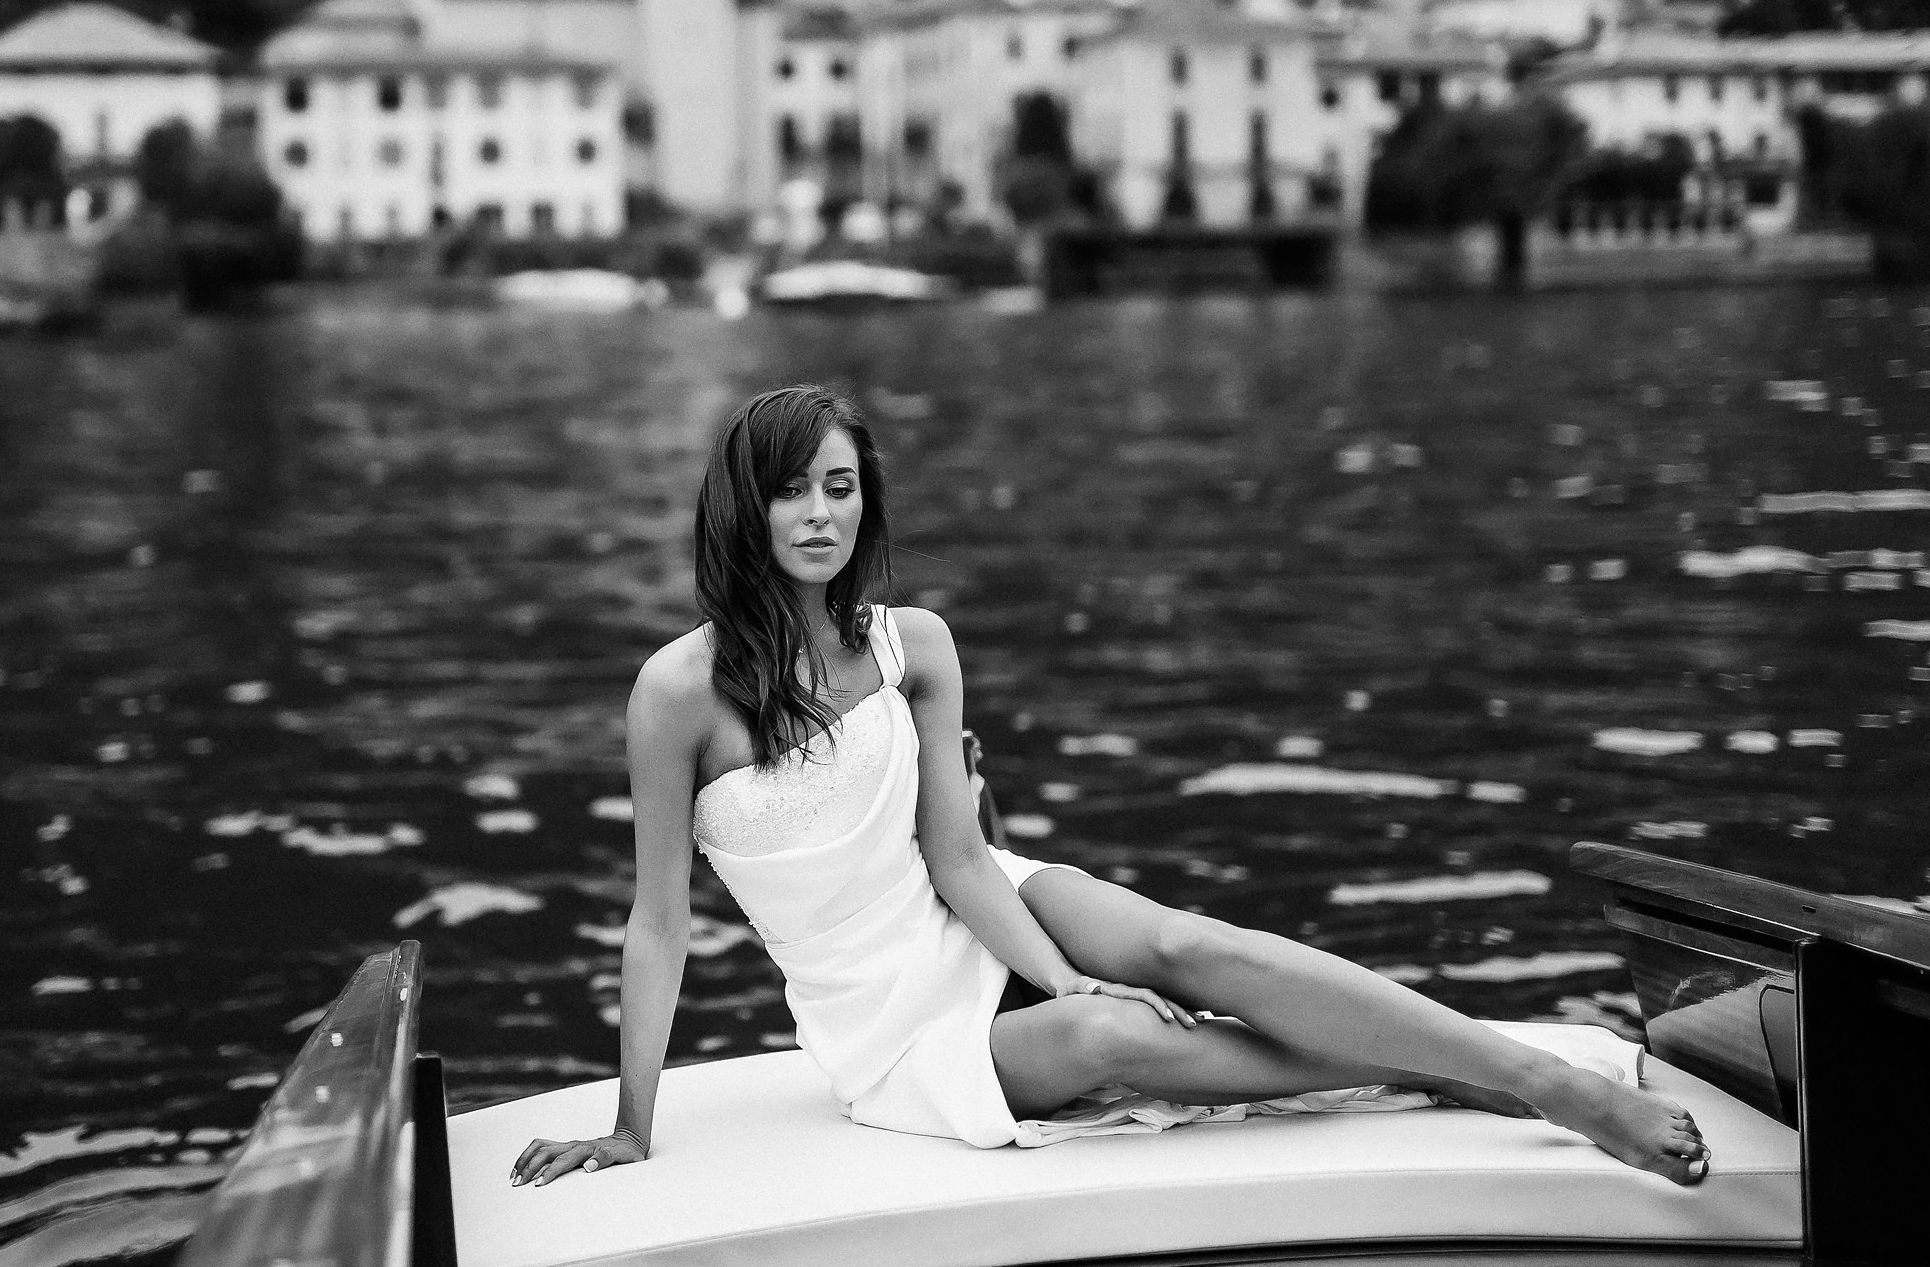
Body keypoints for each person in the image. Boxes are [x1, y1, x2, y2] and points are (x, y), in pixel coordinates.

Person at [511, 386, 1708, 1188]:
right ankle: (1445, 1067)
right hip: (881, 1015)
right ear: (744, 502)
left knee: (1193, 950)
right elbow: (659, 925)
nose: (819, 513)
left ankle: (1543, 1081)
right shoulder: (675, 695)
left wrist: (1050, 963)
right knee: (1102, 1035)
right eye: (791, 489)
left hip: (980, 904)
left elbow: (958, 857)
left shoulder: (911, 643)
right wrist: (630, 1126)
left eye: (840, 484)